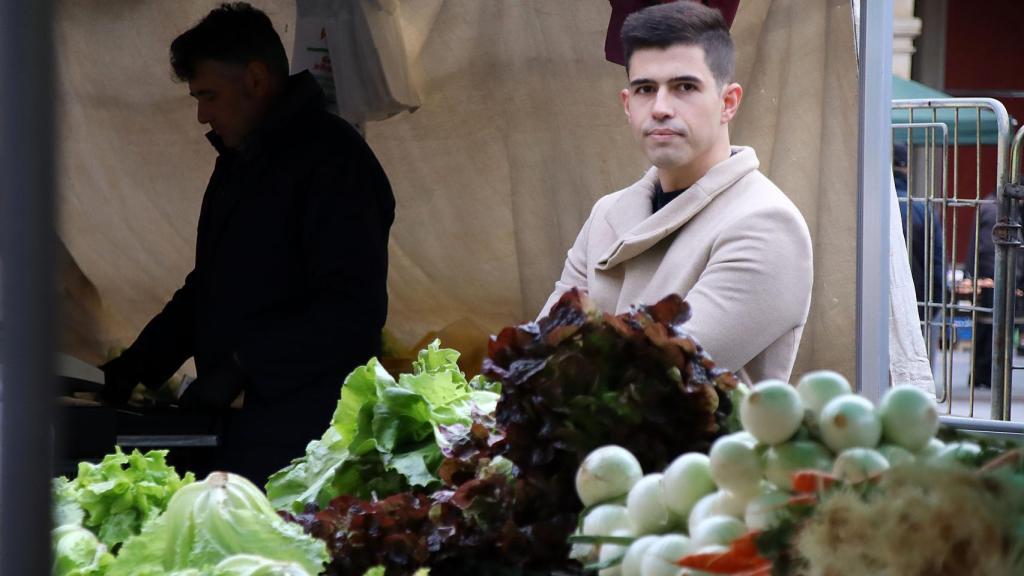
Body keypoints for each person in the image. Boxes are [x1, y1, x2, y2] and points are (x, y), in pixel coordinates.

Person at [99, 3, 395, 484]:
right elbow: (208, 286)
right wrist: (140, 362)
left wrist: (244, 365)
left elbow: (351, 310)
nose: (201, 115)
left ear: (256, 79)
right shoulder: (239, 164)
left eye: (209, 96)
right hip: (243, 428)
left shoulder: (334, 162)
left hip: (306, 440)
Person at [540, 1, 812, 384]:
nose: (661, 108)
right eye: (645, 89)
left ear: (728, 102)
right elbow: (537, 354)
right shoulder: (606, 215)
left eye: (685, 87)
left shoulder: (766, 223)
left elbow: (658, 381)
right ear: (627, 104)